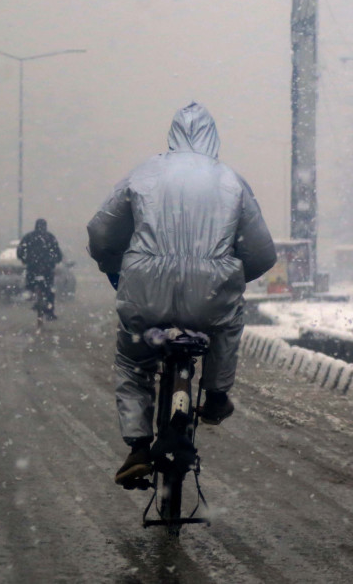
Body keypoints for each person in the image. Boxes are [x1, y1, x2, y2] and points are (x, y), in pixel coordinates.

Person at [87, 102, 277, 487]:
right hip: (208, 295)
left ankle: (138, 445)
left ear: (172, 136)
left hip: (145, 291)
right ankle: (216, 395)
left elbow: (101, 234)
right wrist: (232, 277)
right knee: (225, 326)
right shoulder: (230, 181)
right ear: (213, 137)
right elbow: (261, 254)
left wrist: (115, 268)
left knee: (133, 362)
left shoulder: (144, 173)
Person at [17, 218, 63, 320]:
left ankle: (31, 293)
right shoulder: (50, 237)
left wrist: (24, 259)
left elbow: (20, 250)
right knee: (49, 289)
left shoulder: (29, 237)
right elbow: (57, 251)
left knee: (30, 283)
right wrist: (56, 260)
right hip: (47, 267)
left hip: (32, 266)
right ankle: (50, 311)